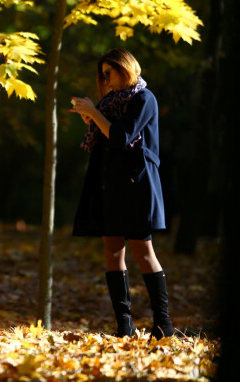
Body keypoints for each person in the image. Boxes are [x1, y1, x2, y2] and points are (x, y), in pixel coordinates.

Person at [69, 48, 174, 340]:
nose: (105, 80)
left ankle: (163, 324)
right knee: (112, 251)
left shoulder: (143, 98)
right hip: (110, 185)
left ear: (124, 68)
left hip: (136, 184)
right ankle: (124, 326)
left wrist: (94, 113)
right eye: (102, 75)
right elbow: (107, 140)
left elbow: (121, 137)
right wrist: (92, 119)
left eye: (109, 73)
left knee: (143, 251)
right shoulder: (108, 104)